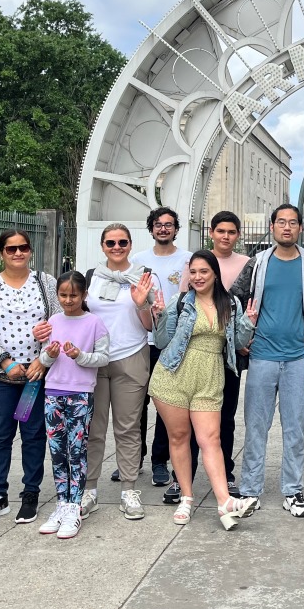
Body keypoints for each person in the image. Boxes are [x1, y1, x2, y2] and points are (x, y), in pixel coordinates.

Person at [231, 204, 304, 518]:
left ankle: (293, 490)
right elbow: (233, 300)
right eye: (281, 222)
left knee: (295, 428)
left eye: (293, 223)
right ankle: (250, 490)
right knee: (256, 427)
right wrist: (241, 340)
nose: (287, 227)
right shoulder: (258, 263)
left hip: (299, 357)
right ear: (272, 226)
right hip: (261, 357)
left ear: (300, 228)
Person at [151, 250, 257, 529]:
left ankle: (225, 502)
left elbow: (238, 343)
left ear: (214, 274)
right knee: (179, 437)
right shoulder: (181, 301)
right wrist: (159, 315)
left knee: (210, 439)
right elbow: (162, 341)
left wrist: (249, 321)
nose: (198, 277)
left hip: (210, 376)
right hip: (174, 374)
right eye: (194, 272)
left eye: (204, 272)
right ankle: (186, 497)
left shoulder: (231, 303)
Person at [0, 229, 57, 525]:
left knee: (32, 436)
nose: (18, 253)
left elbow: (59, 323)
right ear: (1, 253)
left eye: (23, 248)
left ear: (30, 250)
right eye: (11, 249)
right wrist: (5, 362)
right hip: (0, 378)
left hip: (34, 377)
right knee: (0, 436)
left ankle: (30, 494)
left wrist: (41, 361)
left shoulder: (46, 283)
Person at [78, 224, 155, 521]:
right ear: (102, 246)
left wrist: (141, 304)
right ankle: (90, 490)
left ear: (130, 244)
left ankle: (128, 490)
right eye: (111, 242)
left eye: (122, 242)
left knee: (128, 428)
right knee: (93, 429)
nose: (117, 246)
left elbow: (150, 325)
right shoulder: (91, 277)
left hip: (131, 356)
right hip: (95, 360)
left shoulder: (144, 276)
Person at [37, 271, 110, 540]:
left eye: (74, 295)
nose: (68, 300)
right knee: (57, 451)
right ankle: (61, 503)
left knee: (76, 451)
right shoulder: (53, 321)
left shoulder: (94, 323)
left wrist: (80, 356)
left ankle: (74, 508)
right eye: (63, 295)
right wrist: (49, 354)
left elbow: (103, 357)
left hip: (80, 395)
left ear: (84, 295)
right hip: (52, 393)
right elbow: (43, 358)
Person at [131, 206, 191, 495]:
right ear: (151, 229)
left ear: (176, 229)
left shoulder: (188, 259)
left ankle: (159, 461)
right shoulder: (138, 261)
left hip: (173, 346)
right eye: (158, 224)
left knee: (167, 406)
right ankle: (134, 459)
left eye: (169, 224)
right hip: (144, 342)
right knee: (136, 405)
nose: (163, 229)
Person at [209, 211, 250, 494]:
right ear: (211, 232)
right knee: (194, 415)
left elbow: (255, 305)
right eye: (221, 231)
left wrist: (247, 338)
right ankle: (181, 474)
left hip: (232, 353)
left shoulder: (248, 263)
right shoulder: (198, 262)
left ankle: (226, 470)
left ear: (238, 235)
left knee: (226, 416)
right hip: (201, 352)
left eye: (231, 231)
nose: (225, 236)